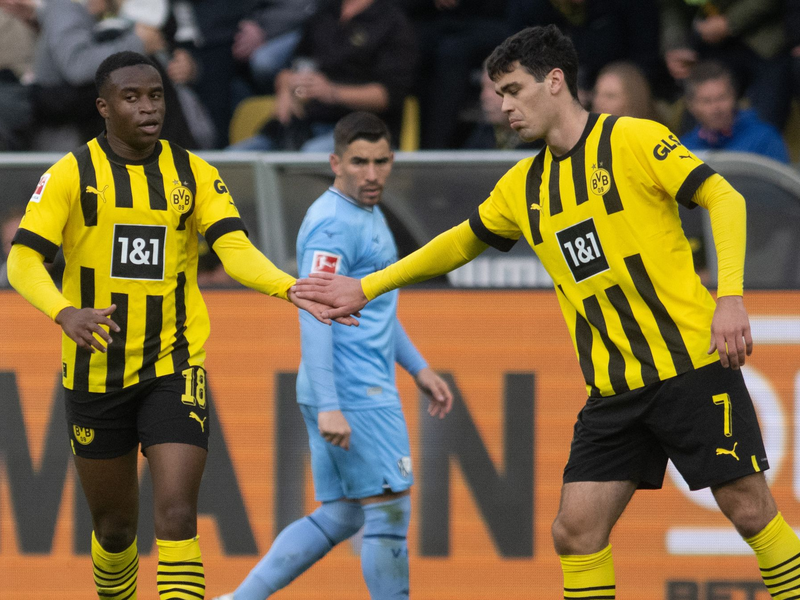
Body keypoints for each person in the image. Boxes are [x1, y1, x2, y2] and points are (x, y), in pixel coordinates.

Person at [293, 25, 800, 599]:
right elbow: (460, 241)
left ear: (554, 81)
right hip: (614, 389)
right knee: (576, 531)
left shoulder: (632, 139)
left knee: (751, 512)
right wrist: (369, 287)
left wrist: (730, 298)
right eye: (499, 93)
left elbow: (723, 197)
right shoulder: (524, 185)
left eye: (512, 89)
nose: (502, 105)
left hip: (689, 367)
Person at [6, 50, 353, 600]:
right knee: (115, 529)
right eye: (132, 97)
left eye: (156, 95)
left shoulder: (193, 173)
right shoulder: (71, 174)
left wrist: (288, 286)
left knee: (176, 513)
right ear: (104, 107)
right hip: (96, 373)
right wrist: (65, 312)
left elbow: (234, 250)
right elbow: (22, 261)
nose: (148, 107)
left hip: (174, 363)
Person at [213, 111, 453, 600]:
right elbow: (315, 312)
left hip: (353, 388)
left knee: (342, 513)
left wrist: (418, 366)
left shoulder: (367, 210)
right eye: (359, 162)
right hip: (353, 392)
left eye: (382, 161)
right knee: (388, 510)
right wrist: (330, 404)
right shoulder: (330, 225)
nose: (372, 174)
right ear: (335, 162)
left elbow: (373, 305)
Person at [228, 0, 416, 153]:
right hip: (301, 124)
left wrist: (332, 92)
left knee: (310, 156)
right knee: (233, 160)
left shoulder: (393, 22)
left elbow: (388, 96)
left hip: (358, 129)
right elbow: (294, 65)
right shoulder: (324, 13)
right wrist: (284, 87)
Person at [681, 60, 790, 163]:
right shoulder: (684, 150)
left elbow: (780, 181)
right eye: (706, 101)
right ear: (691, 106)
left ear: (734, 97)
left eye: (722, 98)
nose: (716, 108)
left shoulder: (765, 138)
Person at [591, 61, 661, 122]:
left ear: (632, 100)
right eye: (596, 93)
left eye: (610, 96)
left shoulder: (650, 135)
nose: (598, 101)